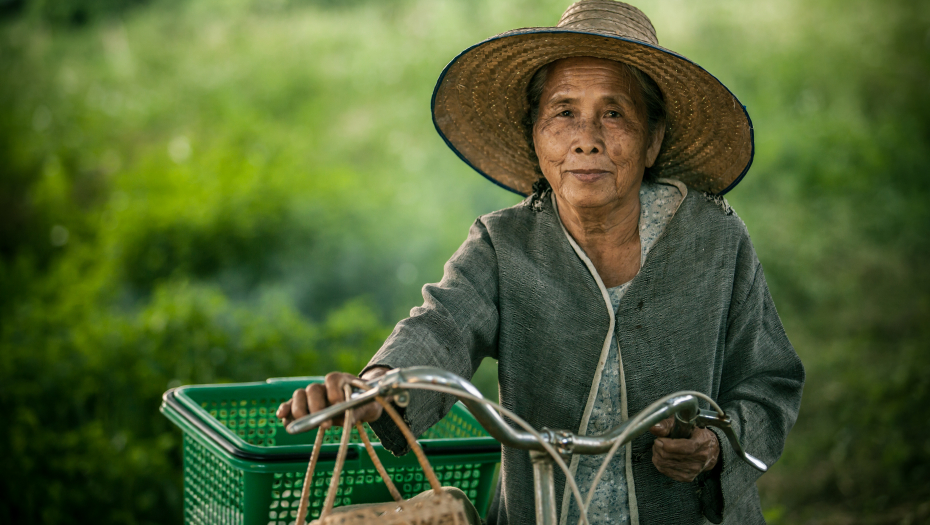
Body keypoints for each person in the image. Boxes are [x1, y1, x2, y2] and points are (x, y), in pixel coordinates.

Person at [277, 1, 804, 524]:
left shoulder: (714, 239)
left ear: (653, 140)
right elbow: (442, 325)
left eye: (615, 113)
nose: (587, 139)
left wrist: (714, 445)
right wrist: (377, 389)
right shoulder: (502, 243)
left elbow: (770, 380)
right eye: (564, 112)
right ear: (536, 135)